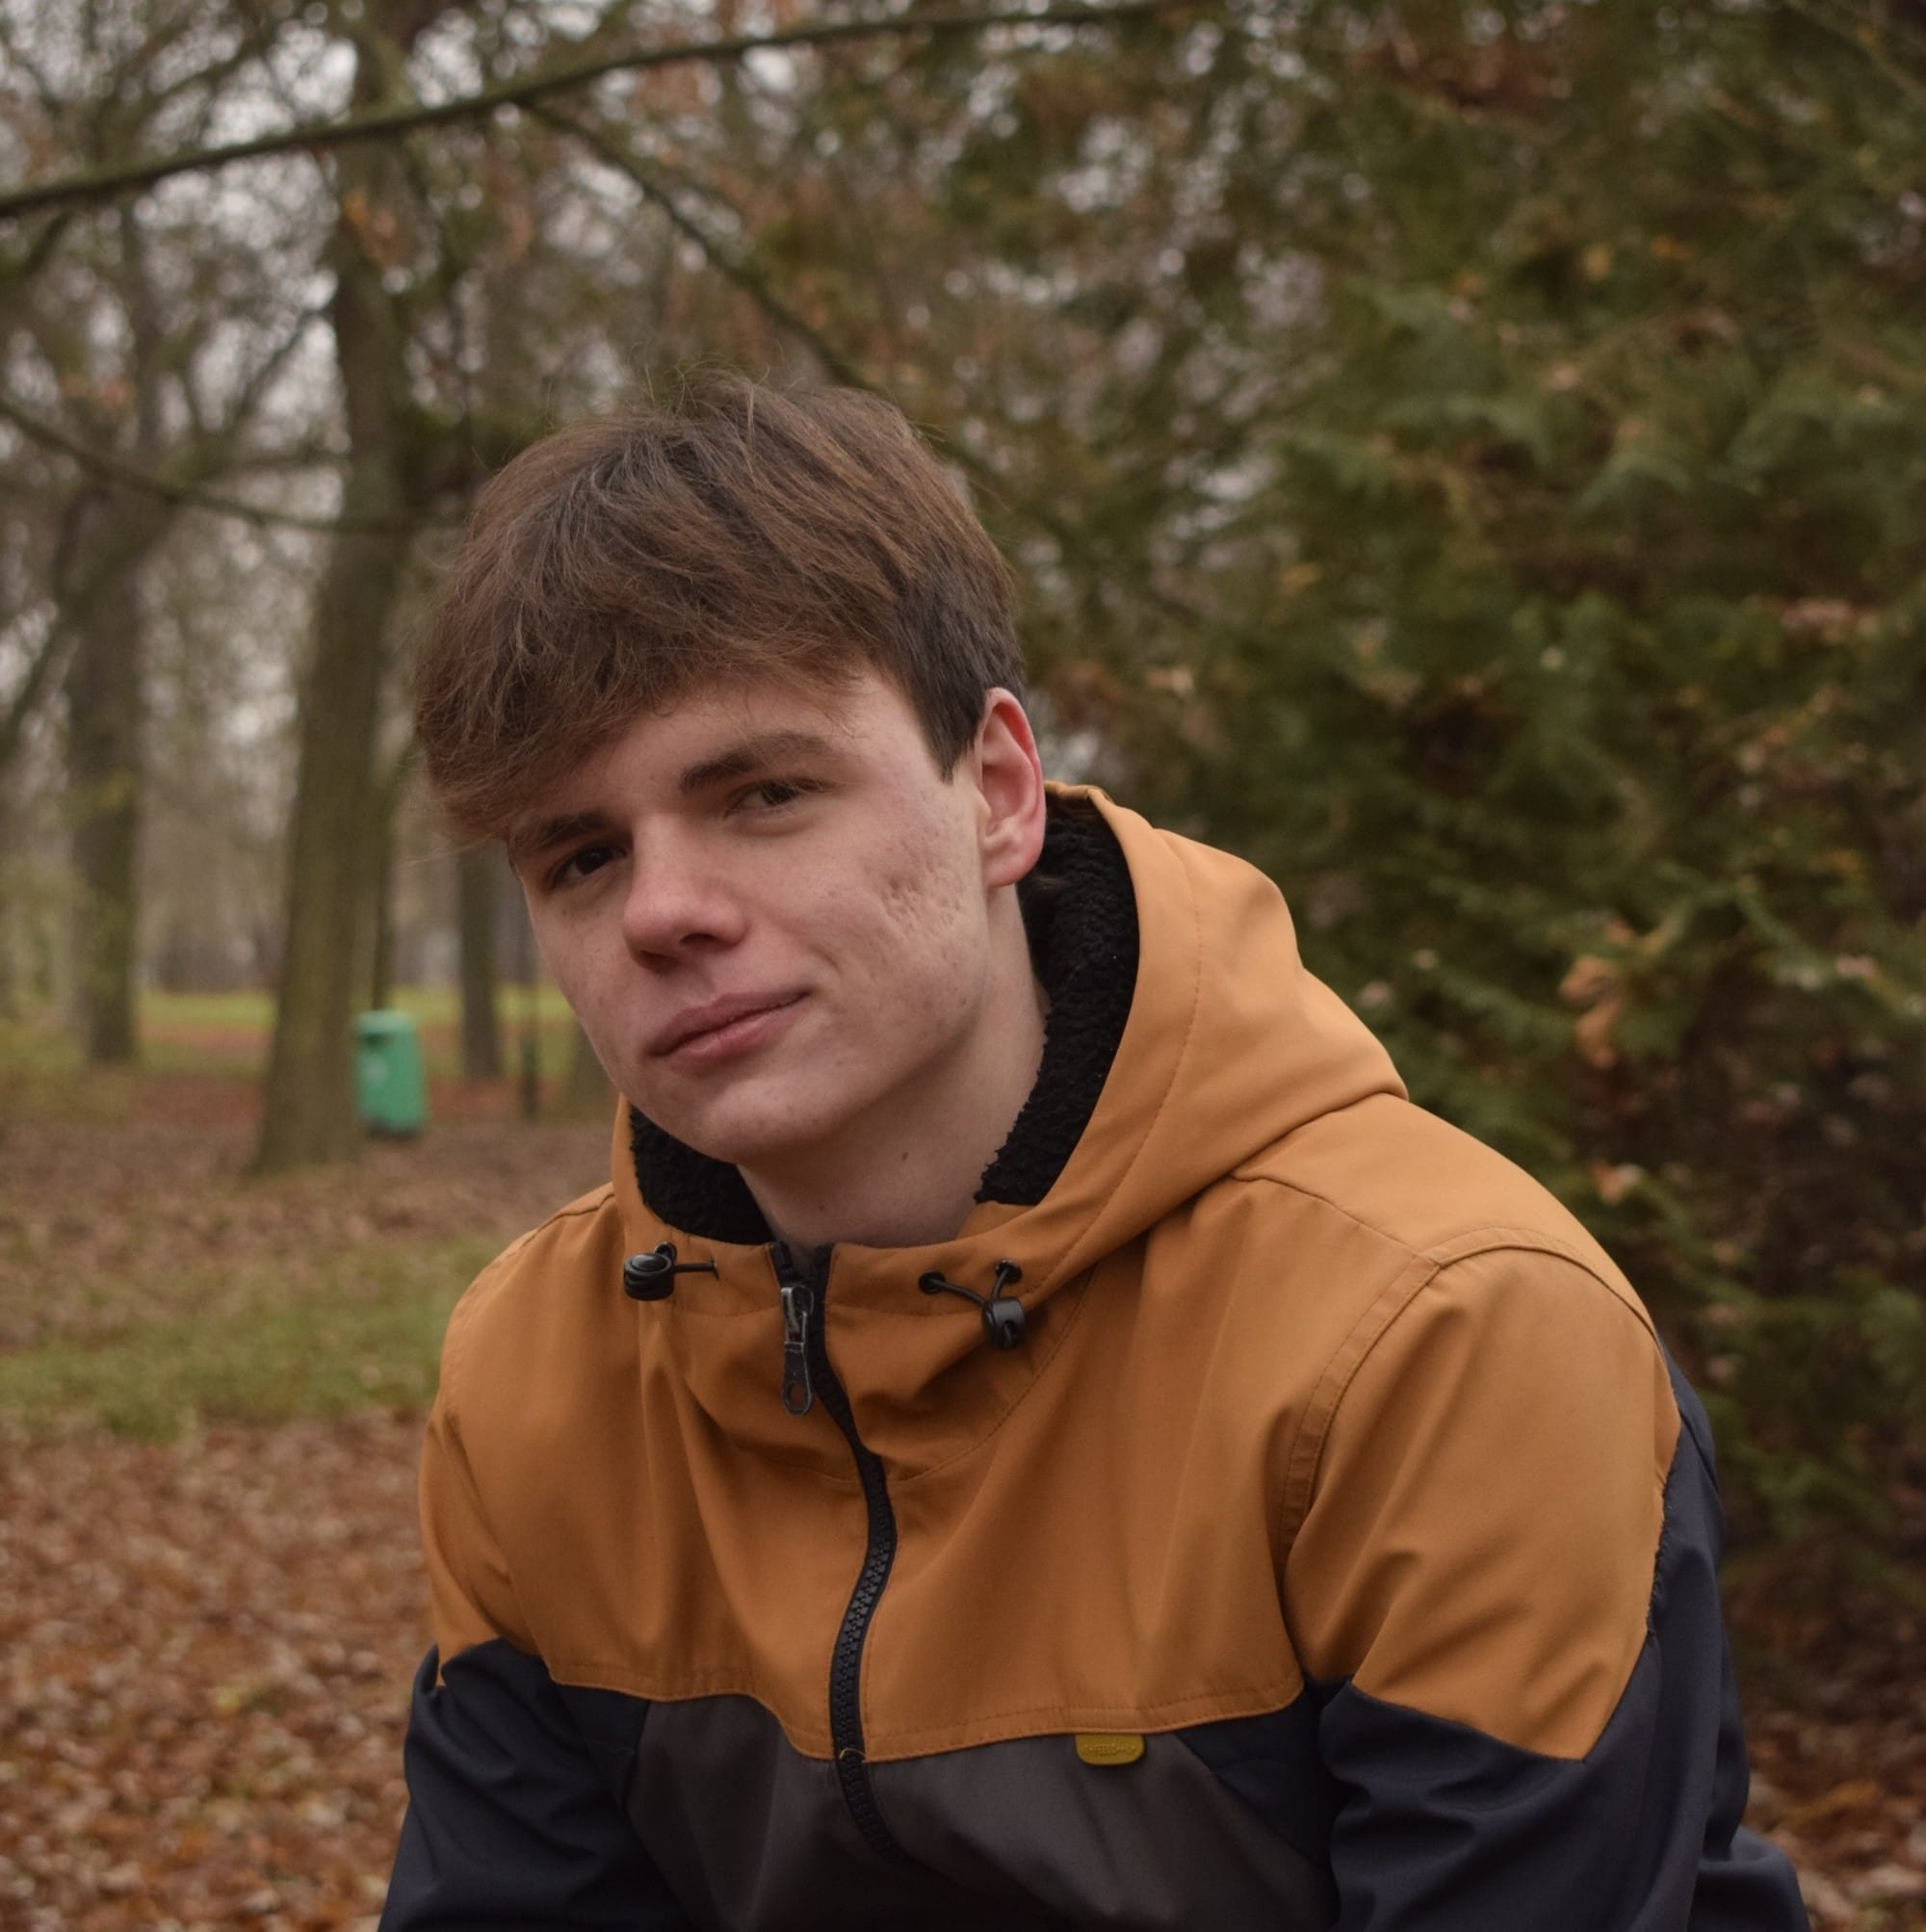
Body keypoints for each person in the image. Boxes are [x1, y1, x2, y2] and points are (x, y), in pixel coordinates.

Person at [380, 374, 1809, 1931]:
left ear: (998, 791)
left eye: (765, 794)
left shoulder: (1441, 1334)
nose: (663, 911)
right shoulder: (539, 1377)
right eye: (584, 856)